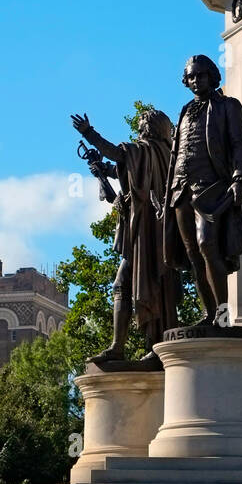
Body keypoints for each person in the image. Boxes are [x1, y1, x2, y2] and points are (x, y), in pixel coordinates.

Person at [71, 106, 178, 364]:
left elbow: (118, 153)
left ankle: (123, 347)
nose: (139, 129)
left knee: (124, 283)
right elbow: (130, 171)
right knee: (152, 285)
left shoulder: (143, 150)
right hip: (158, 231)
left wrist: (89, 133)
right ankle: (148, 344)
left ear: (149, 127)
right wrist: (103, 169)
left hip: (144, 233)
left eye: (142, 125)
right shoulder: (166, 153)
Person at [163, 54, 242, 325]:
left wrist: (240, 179)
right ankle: (209, 313)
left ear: (212, 76)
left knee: (207, 244)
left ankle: (224, 317)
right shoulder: (184, 110)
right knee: (192, 253)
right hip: (180, 188)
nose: (195, 80)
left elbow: (240, 144)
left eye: (200, 75)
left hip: (211, 187)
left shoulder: (228, 106)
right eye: (190, 76)